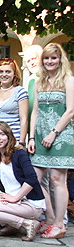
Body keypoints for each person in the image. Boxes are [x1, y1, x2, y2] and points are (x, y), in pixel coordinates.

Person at [28, 43, 74, 239]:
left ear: (60, 59)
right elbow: (35, 112)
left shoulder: (69, 81)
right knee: (35, 179)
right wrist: (31, 137)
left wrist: (54, 133)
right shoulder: (39, 82)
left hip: (60, 136)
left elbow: (70, 110)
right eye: (46, 58)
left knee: (57, 179)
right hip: (40, 136)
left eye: (53, 58)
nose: (49, 61)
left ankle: (59, 225)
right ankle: (50, 217)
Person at [0, 121, 45, 241]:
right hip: (11, 201)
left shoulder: (19, 154)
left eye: (2, 134)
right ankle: (13, 226)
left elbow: (32, 179)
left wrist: (16, 198)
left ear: (9, 137)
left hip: (28, 203)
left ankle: (26, 223)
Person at [0, 58, 29, 148]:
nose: (4, 75)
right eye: (1, 72)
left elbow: (24, 119)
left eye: (8, 72)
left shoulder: (20, 92)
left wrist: (21, 142)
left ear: (14, 74)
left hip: (13, 140)